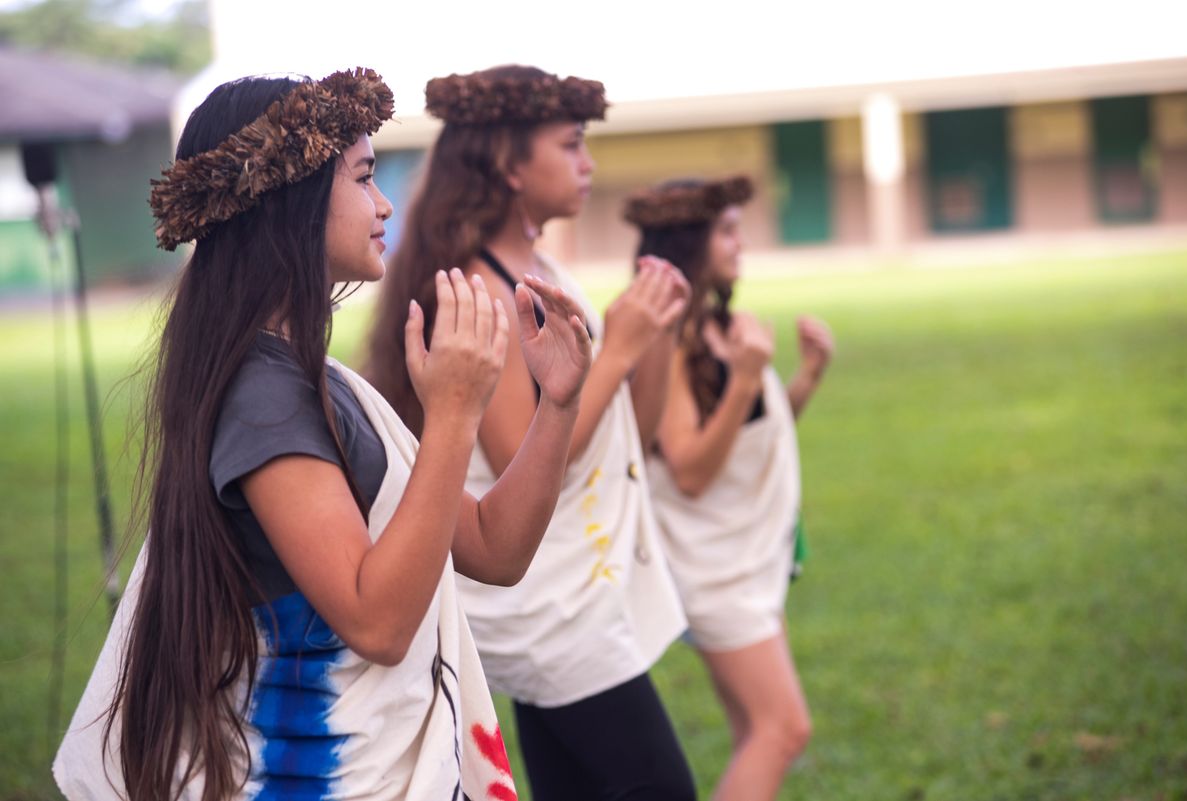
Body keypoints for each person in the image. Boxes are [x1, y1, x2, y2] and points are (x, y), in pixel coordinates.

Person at [53, 67, 593, 801]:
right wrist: (453, 413)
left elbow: (496, 549)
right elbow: (378, 624)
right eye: (364, 178)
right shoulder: (261, 394)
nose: (384, 203)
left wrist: (557, 403)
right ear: (292, 198)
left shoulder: (312, 377)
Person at [364, 65, 696, 801]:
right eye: (571, 145)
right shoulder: (482, 288)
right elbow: (520, 453)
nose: (588, 163)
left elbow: (625, 436)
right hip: (546, 605)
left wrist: (653, 336)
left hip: (579, 588)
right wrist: (618, 348)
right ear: (511, 166)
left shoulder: (540, 266)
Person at [624, 176, 835, 801]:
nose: (741, 242)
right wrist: (744, 379)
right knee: (783, 729)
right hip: (713, 570)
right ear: (690, 243)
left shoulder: (717, 327)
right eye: (727, 231)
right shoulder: (670, 339)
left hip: (745, 560)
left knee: (756, 730)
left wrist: (805, 379)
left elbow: (744, 440)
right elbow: (691, 470)